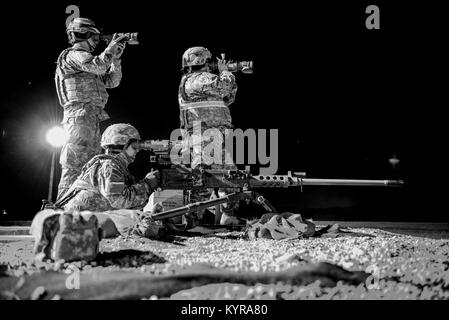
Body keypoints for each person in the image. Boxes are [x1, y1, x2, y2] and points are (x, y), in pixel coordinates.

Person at [55, 17, 127, 200]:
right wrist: (110, 49)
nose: (97, 42)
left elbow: (112, 81)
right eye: (94, 38)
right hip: (78, 115)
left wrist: (116, 60)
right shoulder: (73, 55)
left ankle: (79, 207)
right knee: (74, 165)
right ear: (83, 35)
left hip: (90, 116)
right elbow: (98, 65)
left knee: (89, 166)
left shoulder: (88, 63)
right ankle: (62, 208)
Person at [178, 46, 242, 225]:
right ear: (202, 61)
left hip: (213, 134)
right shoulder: (197, 80)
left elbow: (227, 98)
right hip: (205, 134)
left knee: (229, 176)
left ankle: (227, 217)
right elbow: (223, 88)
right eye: (209, 61)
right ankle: (192, 220)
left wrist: (226, 76)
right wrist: (226, 72)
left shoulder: (198, 81)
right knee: (204, 177)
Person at [56, 123, 159, 212]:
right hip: (81, 224)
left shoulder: (112, 165)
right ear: (122, 146)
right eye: (134, 147)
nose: (137, 151)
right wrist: (147, 184)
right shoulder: (110, 166)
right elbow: (118, 200)